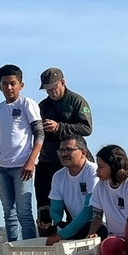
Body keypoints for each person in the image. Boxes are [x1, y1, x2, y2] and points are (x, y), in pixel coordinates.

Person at [0, 64, 43, 241]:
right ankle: (12, 250)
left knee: (24, 213)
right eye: (5, 84)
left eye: (12, 83)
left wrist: (31, 162)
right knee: (8, 213)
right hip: (1, 168)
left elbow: (39, 134)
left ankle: (30, 251)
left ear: (21, 85)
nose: (9, 87)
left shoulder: (27, 104)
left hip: (22, 166)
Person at [35, 68, 92, 235]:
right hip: (47, 159)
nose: (51, 92)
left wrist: (59, 127)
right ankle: (49, 235)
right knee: (45, 202)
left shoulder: (77, 101)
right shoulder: (42, 106)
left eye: (53, 87)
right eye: (47, 89)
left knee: (72, 204)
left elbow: (87, 128)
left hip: (70, 160)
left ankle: (73, 234)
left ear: (63, 82)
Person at [43, 135, 102, 246]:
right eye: (61, 151)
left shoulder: (93, 171)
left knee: (86, 228)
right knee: (49, 233)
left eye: (69, 150)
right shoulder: (58, 176)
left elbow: (89, 211)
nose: (64, 154)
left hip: (97, 226)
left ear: (83, 153)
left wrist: (61, 235)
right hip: (76, 227)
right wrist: (57, 227)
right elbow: (56, 209)